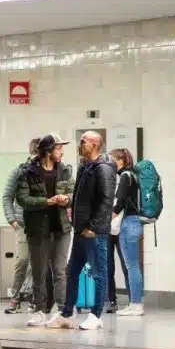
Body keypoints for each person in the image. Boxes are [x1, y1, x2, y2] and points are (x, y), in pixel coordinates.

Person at [57, 131, 116, 331]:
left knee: (99, 274)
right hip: (80, 231)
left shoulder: (104, 169)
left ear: (95, 145)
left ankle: (96, 315)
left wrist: (94, 227)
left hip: (93, 232)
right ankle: (66, 313)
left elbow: (106, 201)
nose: (79, 144)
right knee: (72, 271)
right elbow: (80, 197)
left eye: (84, 141)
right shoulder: (85, 166)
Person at [14, 135, 73, 326]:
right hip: (38, 229)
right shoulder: (27, 172)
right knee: (39, 271)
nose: (61, 152)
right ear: (48, 151)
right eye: (58, 148)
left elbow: (73, 193)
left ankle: (63, 311)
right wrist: (46, 201)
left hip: (61, 227)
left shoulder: (64, 170)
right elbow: (22, 199)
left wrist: (66, 199)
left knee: (59, 271)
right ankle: (39, 310)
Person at [0, 138, 41, 313]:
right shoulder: (18, 171)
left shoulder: (48, 171)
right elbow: (7, 197)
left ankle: (35, 299)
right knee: (22, 261)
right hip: (23, 224)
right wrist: (13, 221)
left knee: (39, 263)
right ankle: (15, 299)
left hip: (43, 225)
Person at [109, 148, 146, 316]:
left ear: (121, 161)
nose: (110, 164)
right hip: (134, 222)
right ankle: (134, 303)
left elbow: (119, 203)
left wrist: (106, 218)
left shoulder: (125, 176)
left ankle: (136, 304)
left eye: (112, 161)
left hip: (129, 223)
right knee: (133, 265)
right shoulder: (134, 176)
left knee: (132, 266)